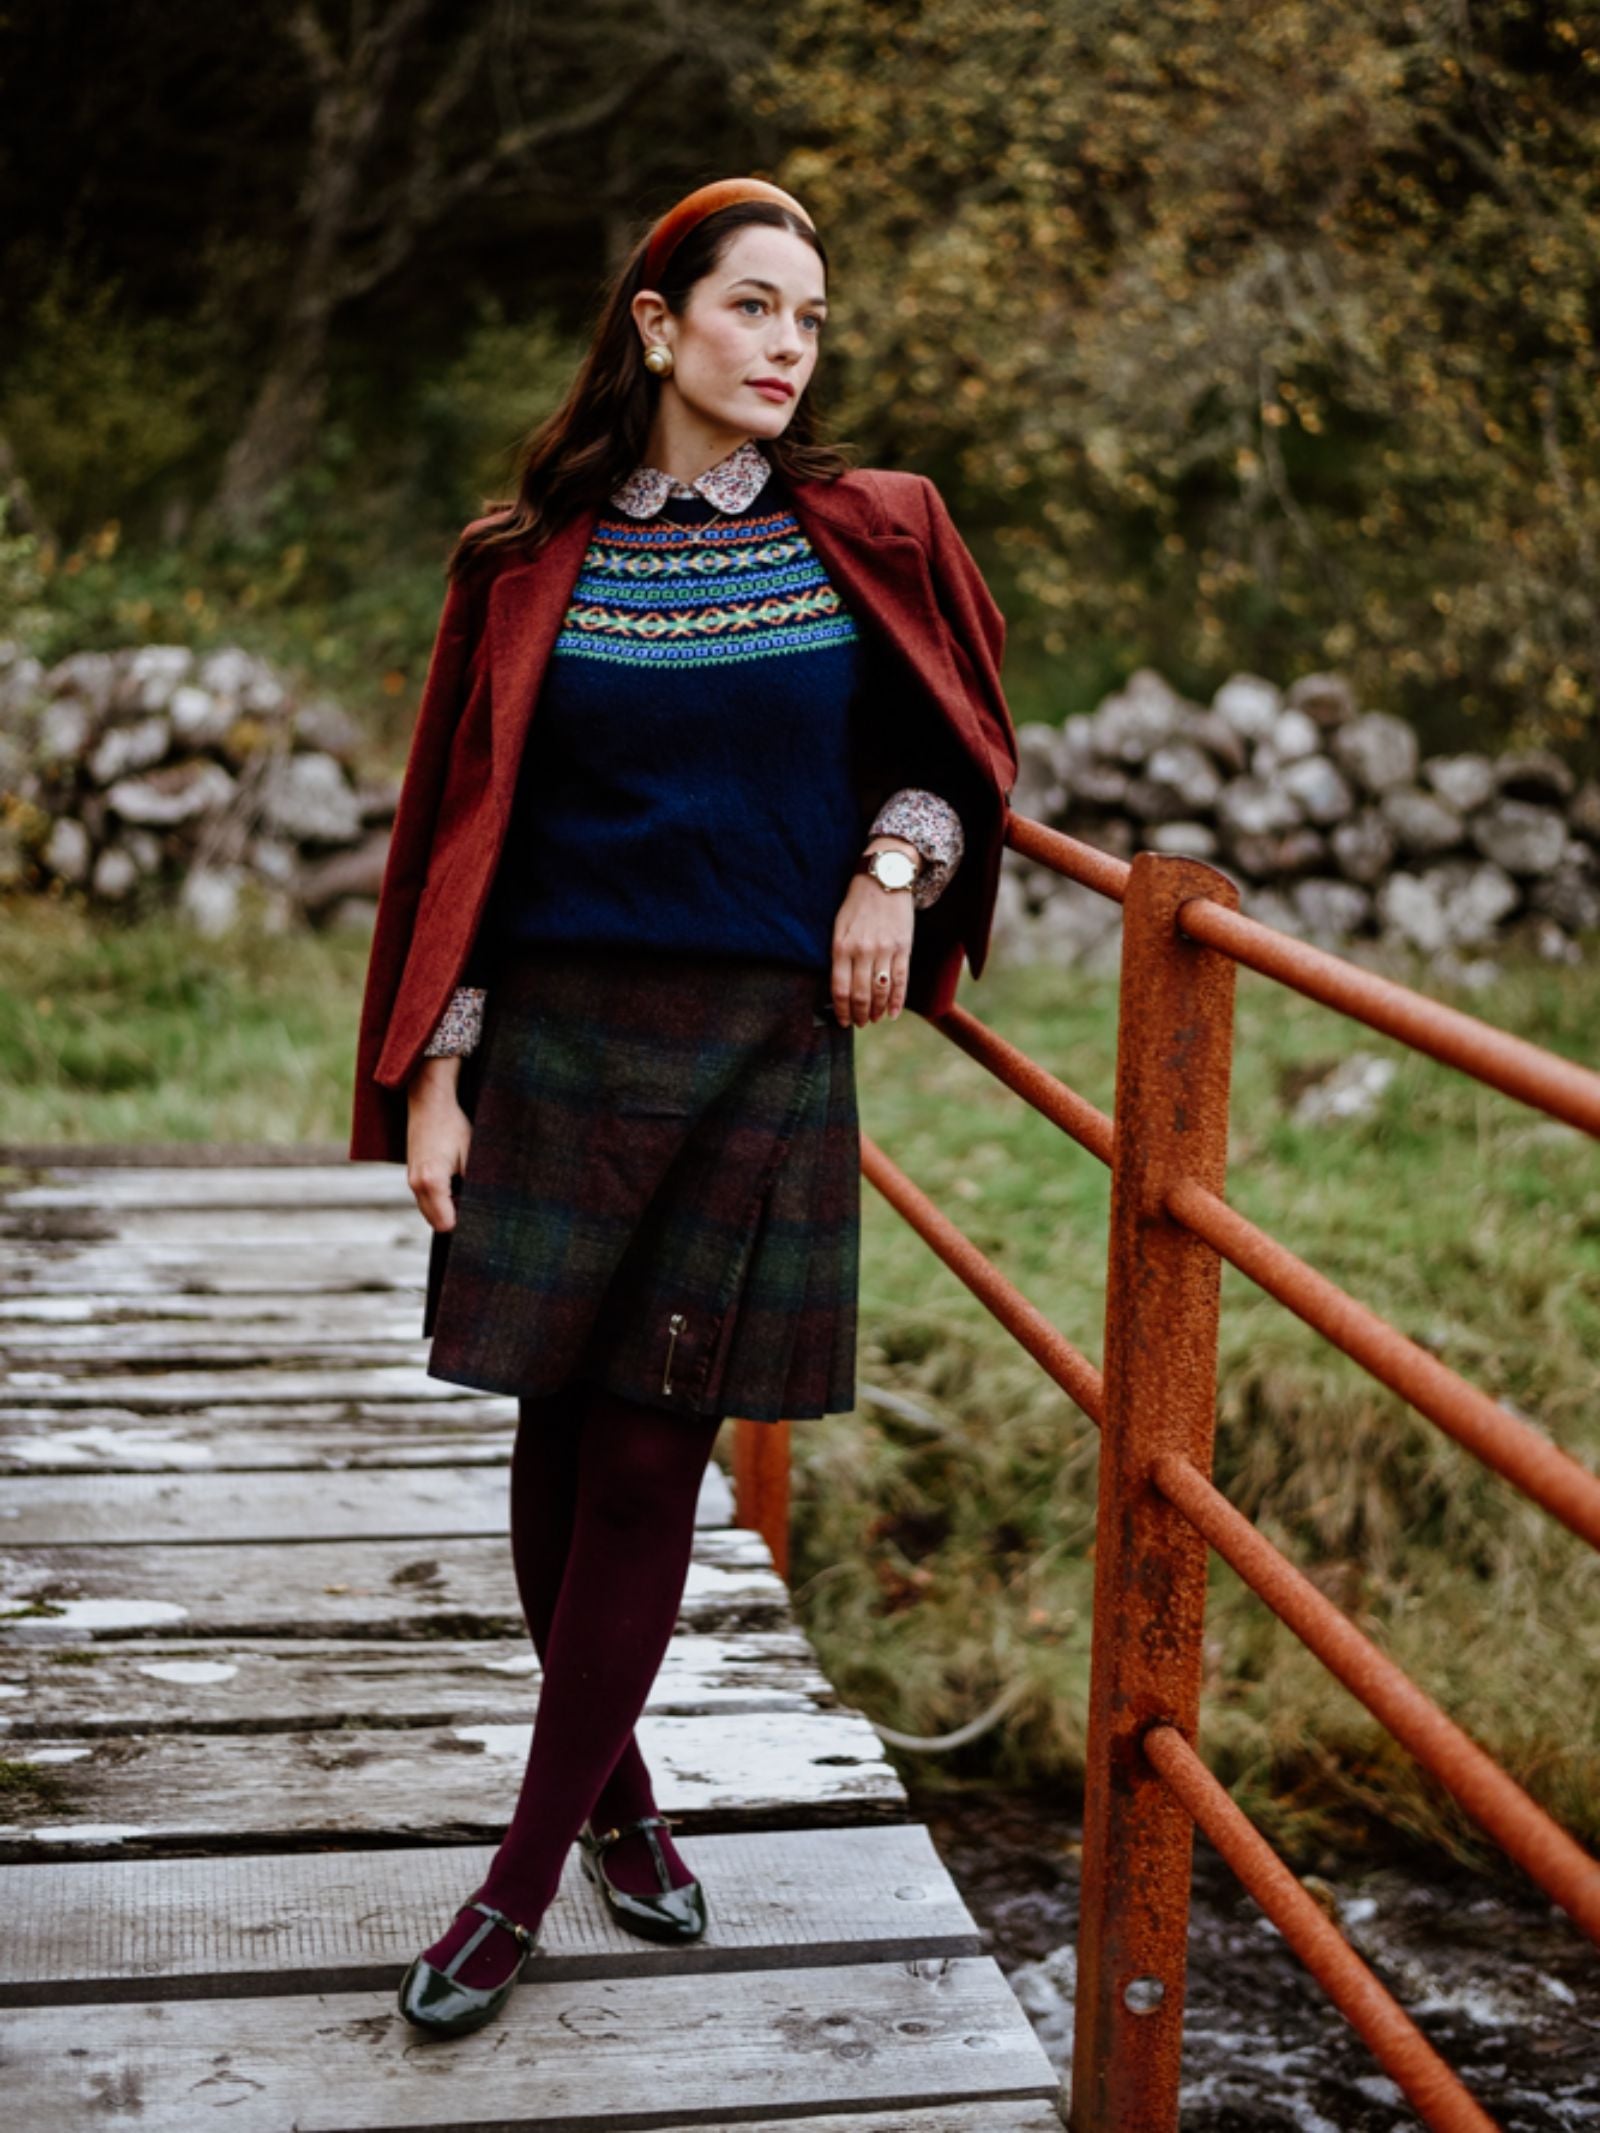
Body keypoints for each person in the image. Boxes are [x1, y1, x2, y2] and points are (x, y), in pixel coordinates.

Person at [349, 175, 1019, 2039]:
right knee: (554, 1439)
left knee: (652, 1452)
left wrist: (891, 867)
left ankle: (513, 1882)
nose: (789, 347)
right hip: (559, 1037)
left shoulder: (873, 529)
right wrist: (441, 1073)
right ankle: (618, 1798)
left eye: (809, 318)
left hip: (755, 1051)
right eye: (752, 310)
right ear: (658, 327)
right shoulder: (523, 560)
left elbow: (960, 750)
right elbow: (474, 841)